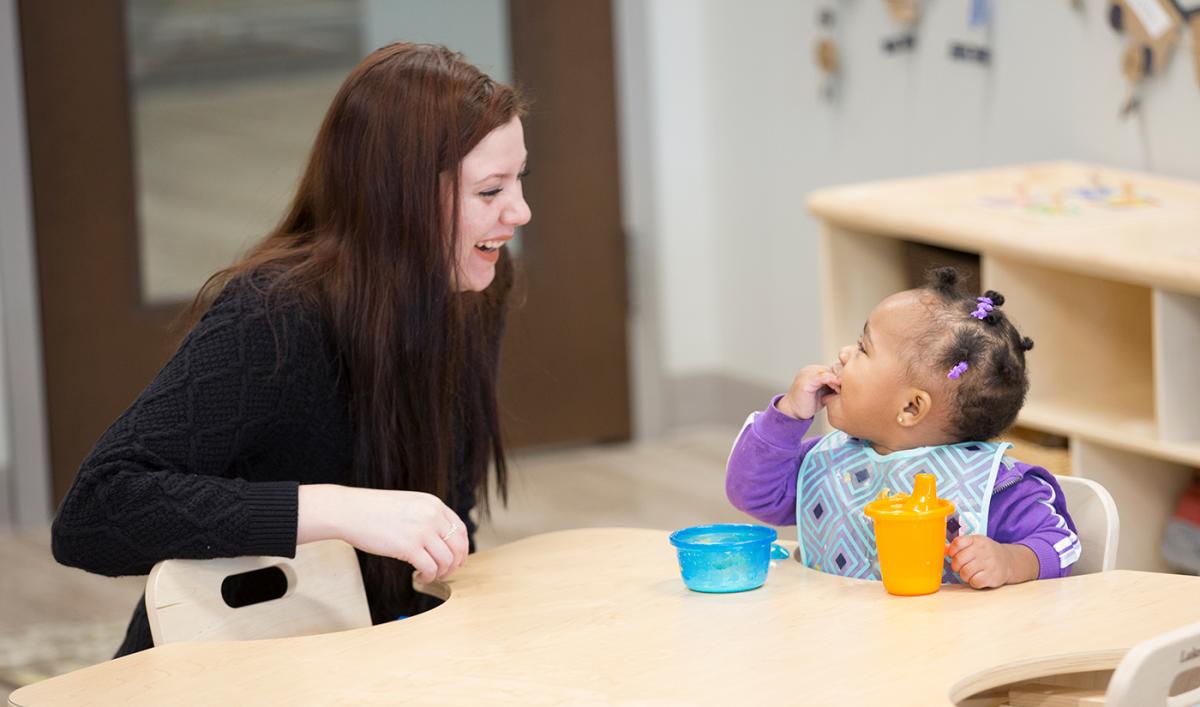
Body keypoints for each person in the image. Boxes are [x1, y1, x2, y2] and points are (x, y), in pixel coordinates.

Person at [50, 42, 531, 655]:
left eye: (519, 179)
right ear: (396, 199)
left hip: (367, 657)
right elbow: (94, 514)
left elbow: (443, 512)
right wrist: (332, 510)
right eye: (490, 192)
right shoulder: (272, 314)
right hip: (229, 663)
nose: (520, 210)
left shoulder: (473, 284)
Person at [725, 267, 1080, 588]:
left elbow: (1061, 541)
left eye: (864, 348)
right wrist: (786, 416)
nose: (846, 353)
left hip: (948, 652)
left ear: (911, 407)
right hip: (836, 645)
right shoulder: (830, 462)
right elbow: (751, 493)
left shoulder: (998, 486)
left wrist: (1011, 561)